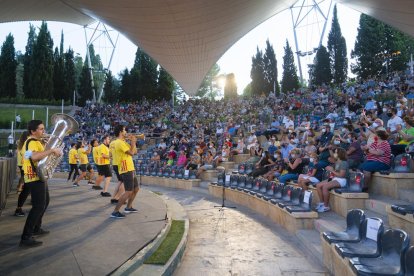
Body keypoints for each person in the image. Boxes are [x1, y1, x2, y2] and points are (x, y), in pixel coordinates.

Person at [19, 119, 62, 247]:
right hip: (34, 177)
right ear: (33, 131)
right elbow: (34, 157)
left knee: (45, 202)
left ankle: (36, 228)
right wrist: (51, 150)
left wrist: (47, 147)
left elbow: (40, 157)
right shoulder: (31, 142)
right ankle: (26, 237)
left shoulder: (35, 142)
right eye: (41, 129)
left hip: (38, 176)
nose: (44, 131)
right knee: (38, 206)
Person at [110, 125, 139, 219]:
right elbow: (131, 153)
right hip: (125, 168)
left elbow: (134, 152)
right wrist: (133, 142)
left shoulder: (123, 142)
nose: (126, 131)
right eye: (124, 130)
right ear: (120, 132)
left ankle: (128, 207)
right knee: (128, 191)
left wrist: (132, 143)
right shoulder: (119, 142)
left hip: (130, 167)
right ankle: (115, 211)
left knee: (136, 189)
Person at [315, 148, 349, 213]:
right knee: (318, 185)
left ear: (340, 154)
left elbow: (341, 175)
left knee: (325, 187)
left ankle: (326, 206)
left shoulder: (344, 163)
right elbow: (334, 172)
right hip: (335, 178)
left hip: (342, 180)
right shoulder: (337, 162)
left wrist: (331, 170)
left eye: (336, 152)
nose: (334, 154)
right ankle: (322, 203)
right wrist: (330, 171)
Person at [14, 131, 30, 217]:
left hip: (22, 165)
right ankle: (18, 208)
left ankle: (19, 188)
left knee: (24, 181)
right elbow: (27, 156)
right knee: (27, 186)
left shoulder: (21, 145)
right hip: (25, 166)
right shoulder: (25, 145)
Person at [109, 137, 125, 204]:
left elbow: (110, 155)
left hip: (114, 163)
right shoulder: (120, 142)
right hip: (120, 164)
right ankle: (117, 198)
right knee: (125, 182)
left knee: (120, 181)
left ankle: (113, 198)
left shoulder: (111, 143)